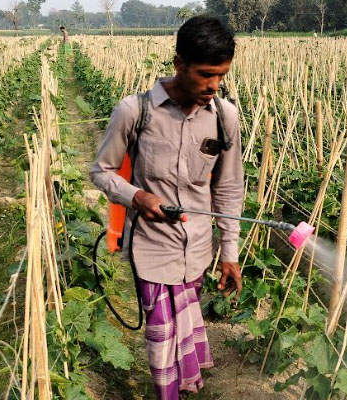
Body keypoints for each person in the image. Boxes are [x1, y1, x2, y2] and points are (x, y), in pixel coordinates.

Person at [90, 16, 243, 400]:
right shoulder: (134, 111)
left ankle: (186, 387)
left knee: (186, 329)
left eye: (221, 76)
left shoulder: (225, 117)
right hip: (151, 246)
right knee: (161, 335)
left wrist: (230, 253)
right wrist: (137, 197)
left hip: (198, 249)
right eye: (205, 74)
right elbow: (102, 171)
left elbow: (228, 189)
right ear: (179, 64)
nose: (213, 86)